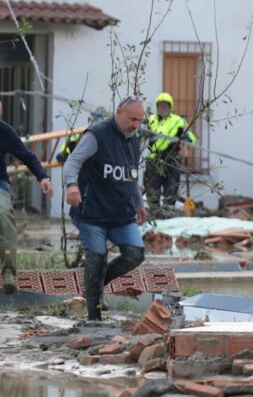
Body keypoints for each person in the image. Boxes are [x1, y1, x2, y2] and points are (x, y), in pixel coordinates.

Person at [64, 96, 148, 320]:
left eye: (140, 121)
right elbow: (72, 161)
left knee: (135, 254)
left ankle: (96, 286)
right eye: (132, 119)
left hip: (121, 215)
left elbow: (131, 174)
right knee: (97, 258)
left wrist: (139, 202)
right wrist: (71, 185)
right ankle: (94, 317)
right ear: (119, 112)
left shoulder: (133, 140)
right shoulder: (97, 134)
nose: (135, 125)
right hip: (91, 212)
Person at [0, 101, 54, 294]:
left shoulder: (4, 131)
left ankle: (8, 274)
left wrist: (43, 178)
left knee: (3, 215)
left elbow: (28, 156)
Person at [144, 92, 195, 211]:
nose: (163, 108)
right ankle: (154, 214)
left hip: (172, 160)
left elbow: (191, 141)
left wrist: (187, 137)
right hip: (154, 160)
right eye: (160, 106)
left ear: (170, 107)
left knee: (171, 190)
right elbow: (138, 136)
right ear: (157, 107)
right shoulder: (150, 120)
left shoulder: (178, 121)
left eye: (165, 106)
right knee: (152, 191)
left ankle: (168, 216)